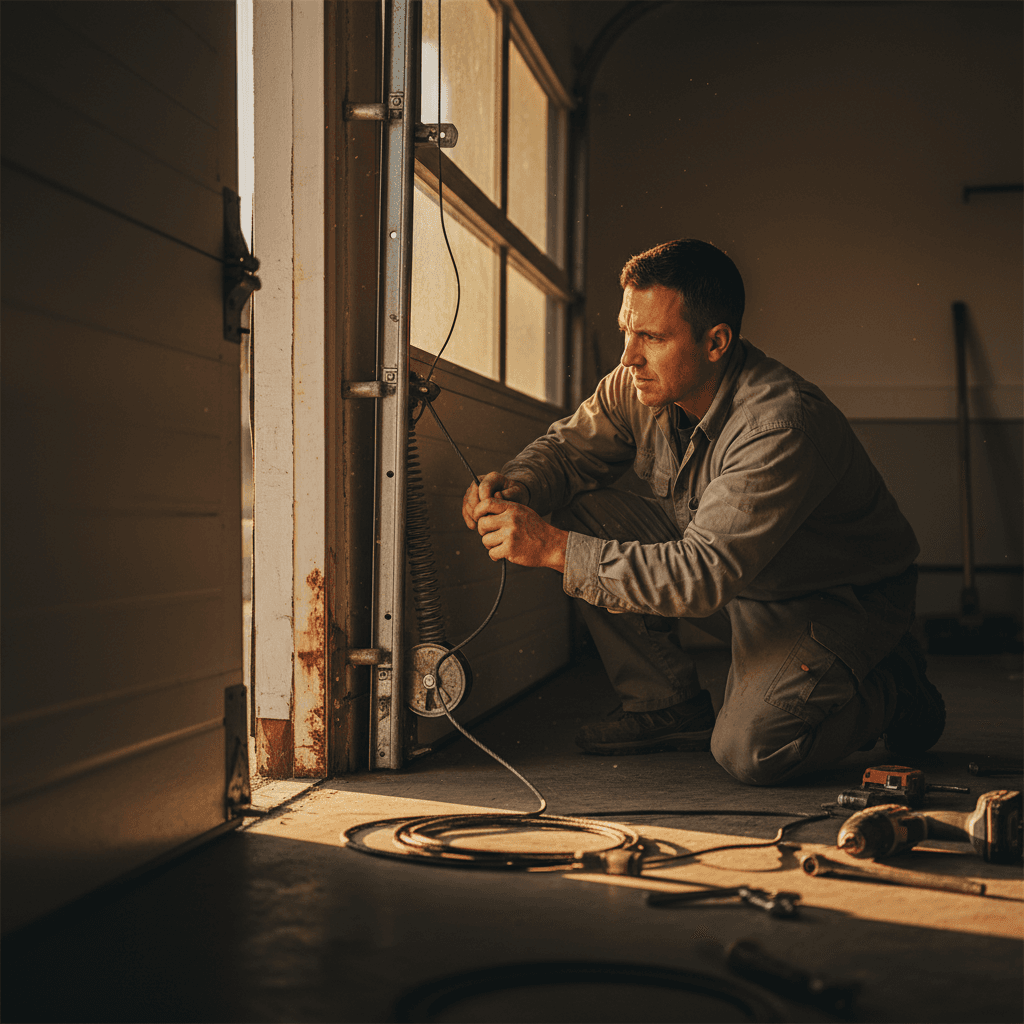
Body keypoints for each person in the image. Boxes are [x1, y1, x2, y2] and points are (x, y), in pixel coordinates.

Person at [460, 238, 945, 786]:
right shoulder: (639, 384)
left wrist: (550, 547)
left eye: (652, 337)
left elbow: (700, 577)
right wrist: (520, 484)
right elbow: (568, 452)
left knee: (752, 750)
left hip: (835, 599)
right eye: (626, 329)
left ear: (716, 342)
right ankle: (663, 705)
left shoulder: (778, 426)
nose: (628, 356)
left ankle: (895, 687)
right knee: (571, 505)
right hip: (738, 575)